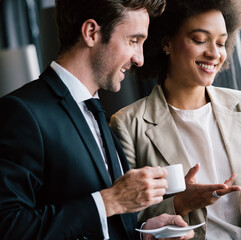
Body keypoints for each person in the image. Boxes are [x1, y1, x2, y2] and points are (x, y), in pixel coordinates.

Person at [0, 0, 195, 239]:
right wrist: (109, 201)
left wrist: (145, 232)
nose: (139, 59)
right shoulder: (21, 112)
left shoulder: (97, 113)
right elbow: (9, 227)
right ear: (91, 32)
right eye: (133, 41)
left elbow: (103, 221)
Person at [110, 0, 241, 239]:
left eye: (221, 43)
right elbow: (126, 219)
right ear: (167, 43)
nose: (214, 54)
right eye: (199, 39)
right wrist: (180, 204)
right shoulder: (128, 124)